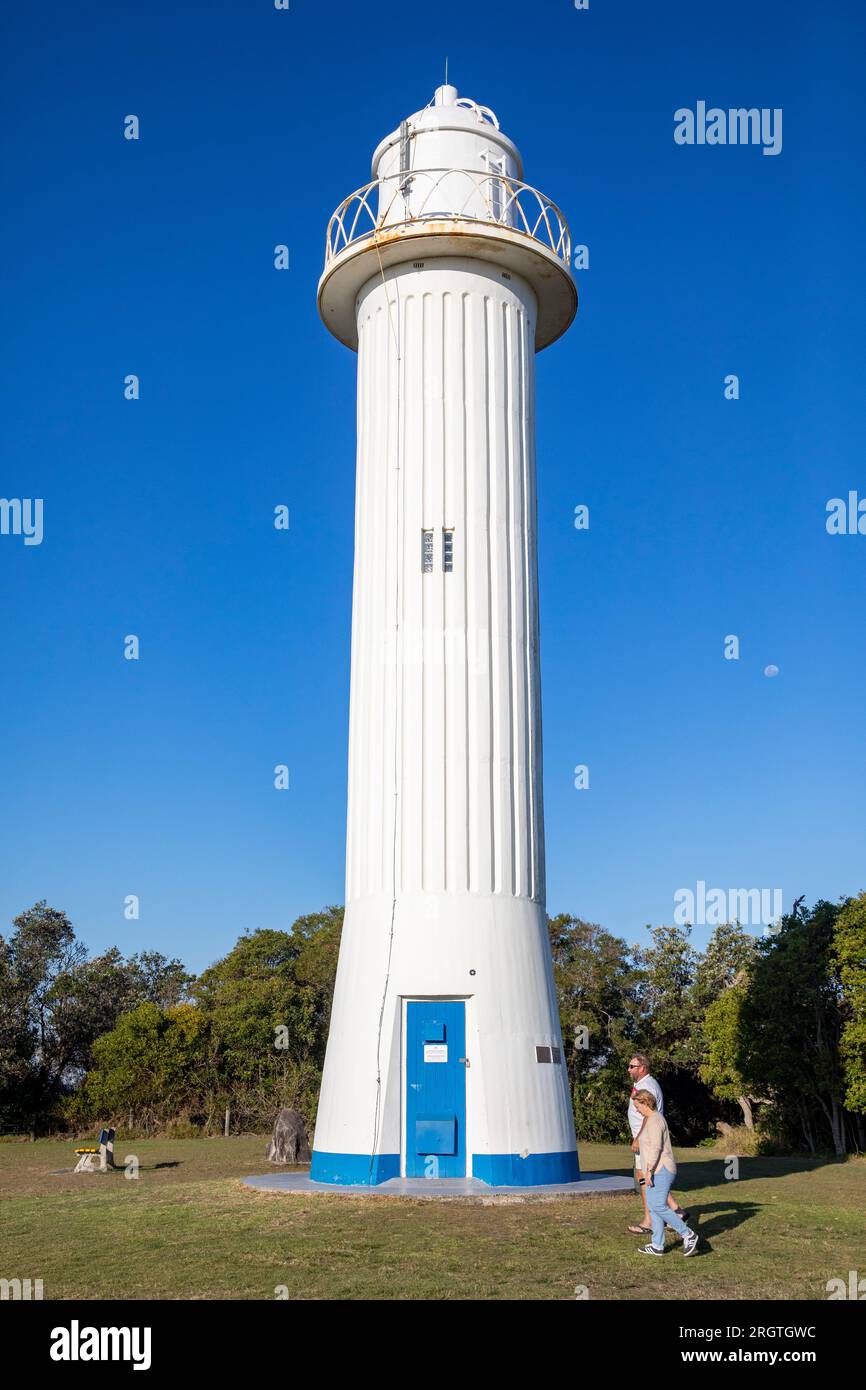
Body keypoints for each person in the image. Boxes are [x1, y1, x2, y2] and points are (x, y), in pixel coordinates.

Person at [626, 1053, 689, 1236]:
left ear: (642, 1068)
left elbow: (649, 1114)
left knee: (645, 1177)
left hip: (646, 1140)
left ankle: (650, 1221)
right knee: (646, 1177)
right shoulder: (641, 1085)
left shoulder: (647, 1085)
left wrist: (638, 1138)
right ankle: (677, 1210)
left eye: (632, 1066)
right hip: (643, 1139)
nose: (629, 1069)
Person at [632, 1089, 699, 1256]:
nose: (636, 1109)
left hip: (661, 1169)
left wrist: (649, 1171)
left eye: (637, 1105)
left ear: (645, 1102)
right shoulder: (650, 1120)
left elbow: (656, 1148)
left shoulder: (655, 1120)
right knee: (654, 1207)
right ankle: (657, 1245)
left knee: (657, 1205)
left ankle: (688, 1234)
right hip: (656, 1169)